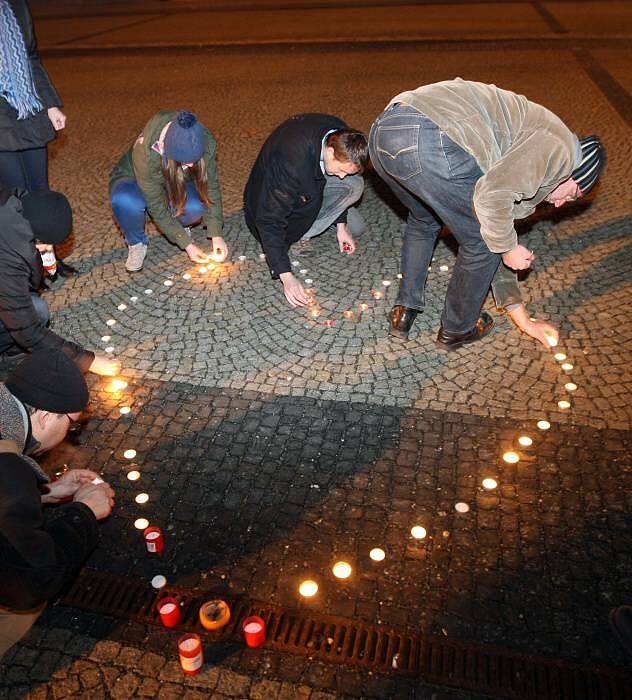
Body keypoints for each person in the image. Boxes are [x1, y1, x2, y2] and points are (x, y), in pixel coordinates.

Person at [369, 78, 605, 348]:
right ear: (575, 175)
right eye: (574, 194)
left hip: (385, 131)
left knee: (424, 220)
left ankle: (405, 310)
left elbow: (497, 218)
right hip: (429, 136)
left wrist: (523, 319)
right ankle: (457, 329)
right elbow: (492, 204)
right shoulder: (561, 151)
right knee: (483, 240)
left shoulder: (539, 139)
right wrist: (507, 247)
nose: (562, 203)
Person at [0, 350, 115, 655]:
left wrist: (46, 492)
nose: (69, 435)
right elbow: (33, 578)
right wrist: (84, 514)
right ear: (47, 415)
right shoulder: (9, 474)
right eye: (72, 425)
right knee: (21, 610)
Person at [244, 114, 369, 307]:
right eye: (341, 170)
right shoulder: (291, 161)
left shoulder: (341, 135)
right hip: (267, 201)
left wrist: (341, 225)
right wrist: (286, 276)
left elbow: (341, 179)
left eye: (347, 171)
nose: (343, 177)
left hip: (311, 186)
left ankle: (325, 221)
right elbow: (269, 220)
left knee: (355, 203)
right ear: (329, 151)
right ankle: (304, 231)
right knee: (290, 225)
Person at [0, 186, 119, 376]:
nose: (49, 249)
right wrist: (89, 361)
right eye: (47, 245)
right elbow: (27, 329)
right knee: (37, 311)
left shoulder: (14, 204)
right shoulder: (7, 259)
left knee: (33, 305)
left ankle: (11, 351)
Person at [0, 0, 75, 278]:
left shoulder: (15, 5)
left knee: (41, 191)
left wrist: (50, 104)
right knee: (18, 198)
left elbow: (31, 57)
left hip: (28, 104)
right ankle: (31, 267)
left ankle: (49, 255)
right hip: (1, 114)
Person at [109, 110, 226, 272]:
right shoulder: (146, 154)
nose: (190, 168)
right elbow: (156, 205)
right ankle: (136, 242)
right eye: (185, 163)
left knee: (195, 206)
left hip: (172, 180)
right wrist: (187, 245)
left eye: (194, 162)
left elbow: (210, 187)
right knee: (125, 201)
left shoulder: (202, 140)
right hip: (134, 181)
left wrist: (216, 234)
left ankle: (177, 222)